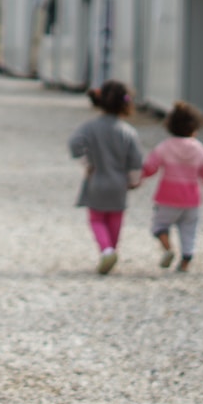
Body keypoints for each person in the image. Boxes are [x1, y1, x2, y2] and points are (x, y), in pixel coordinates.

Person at [69, 80, 144, 274]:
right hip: (119, 182)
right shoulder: (128, 131)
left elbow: (74, 144)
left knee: (96, 218)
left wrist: (87, 162)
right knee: (115, 218)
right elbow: (136, 159)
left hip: (97, 179)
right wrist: (134, 179)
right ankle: (113, 249)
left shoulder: (90, 127)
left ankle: (106, 250)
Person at [140, 101, 203, 272]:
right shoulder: (199, 149)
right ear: (195, 128)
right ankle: (186, 260)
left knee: (159, 225)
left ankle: (168, 248)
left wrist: (138, 177)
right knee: (188, 230)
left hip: (167, 197)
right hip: (191, 199)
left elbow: (150, 167)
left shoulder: (164, 147)